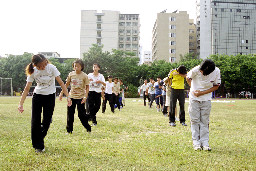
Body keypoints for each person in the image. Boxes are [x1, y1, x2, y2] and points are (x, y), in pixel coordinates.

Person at [18, 54, 71, 153]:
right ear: (35, 65)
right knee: (35, 121)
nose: (43, 67)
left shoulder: (51, 68)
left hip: (50, 96)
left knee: (46, 122)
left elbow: (61, 83)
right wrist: (21, 103)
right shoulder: (33, 71)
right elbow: (27, 88)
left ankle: (39, 138)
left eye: (44, 64)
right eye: (41, 66)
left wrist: (68, 96)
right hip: (37, 96)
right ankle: (38, 146)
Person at [186, 59, 221, 151]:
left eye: (202, 72)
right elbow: (187, 77)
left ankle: (205, 143)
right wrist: (192, 89)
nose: (200, 72)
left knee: (205, 121)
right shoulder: (196, 69)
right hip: (194, 99)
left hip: (206, 99)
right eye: (200, 71)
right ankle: (196, 143)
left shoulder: (216, 71)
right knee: (194, 120)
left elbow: (216, 86)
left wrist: (202, 93)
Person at [59, 59, 91, 134]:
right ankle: (69, 130)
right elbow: (66, 85)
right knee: (70, 114)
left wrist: (85, 97)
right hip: (71, 97)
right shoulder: (71, 74)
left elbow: (87, 87)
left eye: (78, 66)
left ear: (81, 67)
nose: (76, 67)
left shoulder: (84, 76)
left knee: (81, 115)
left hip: (81, 97)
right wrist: (61, 93)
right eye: (74, 66)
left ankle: (88, 127)